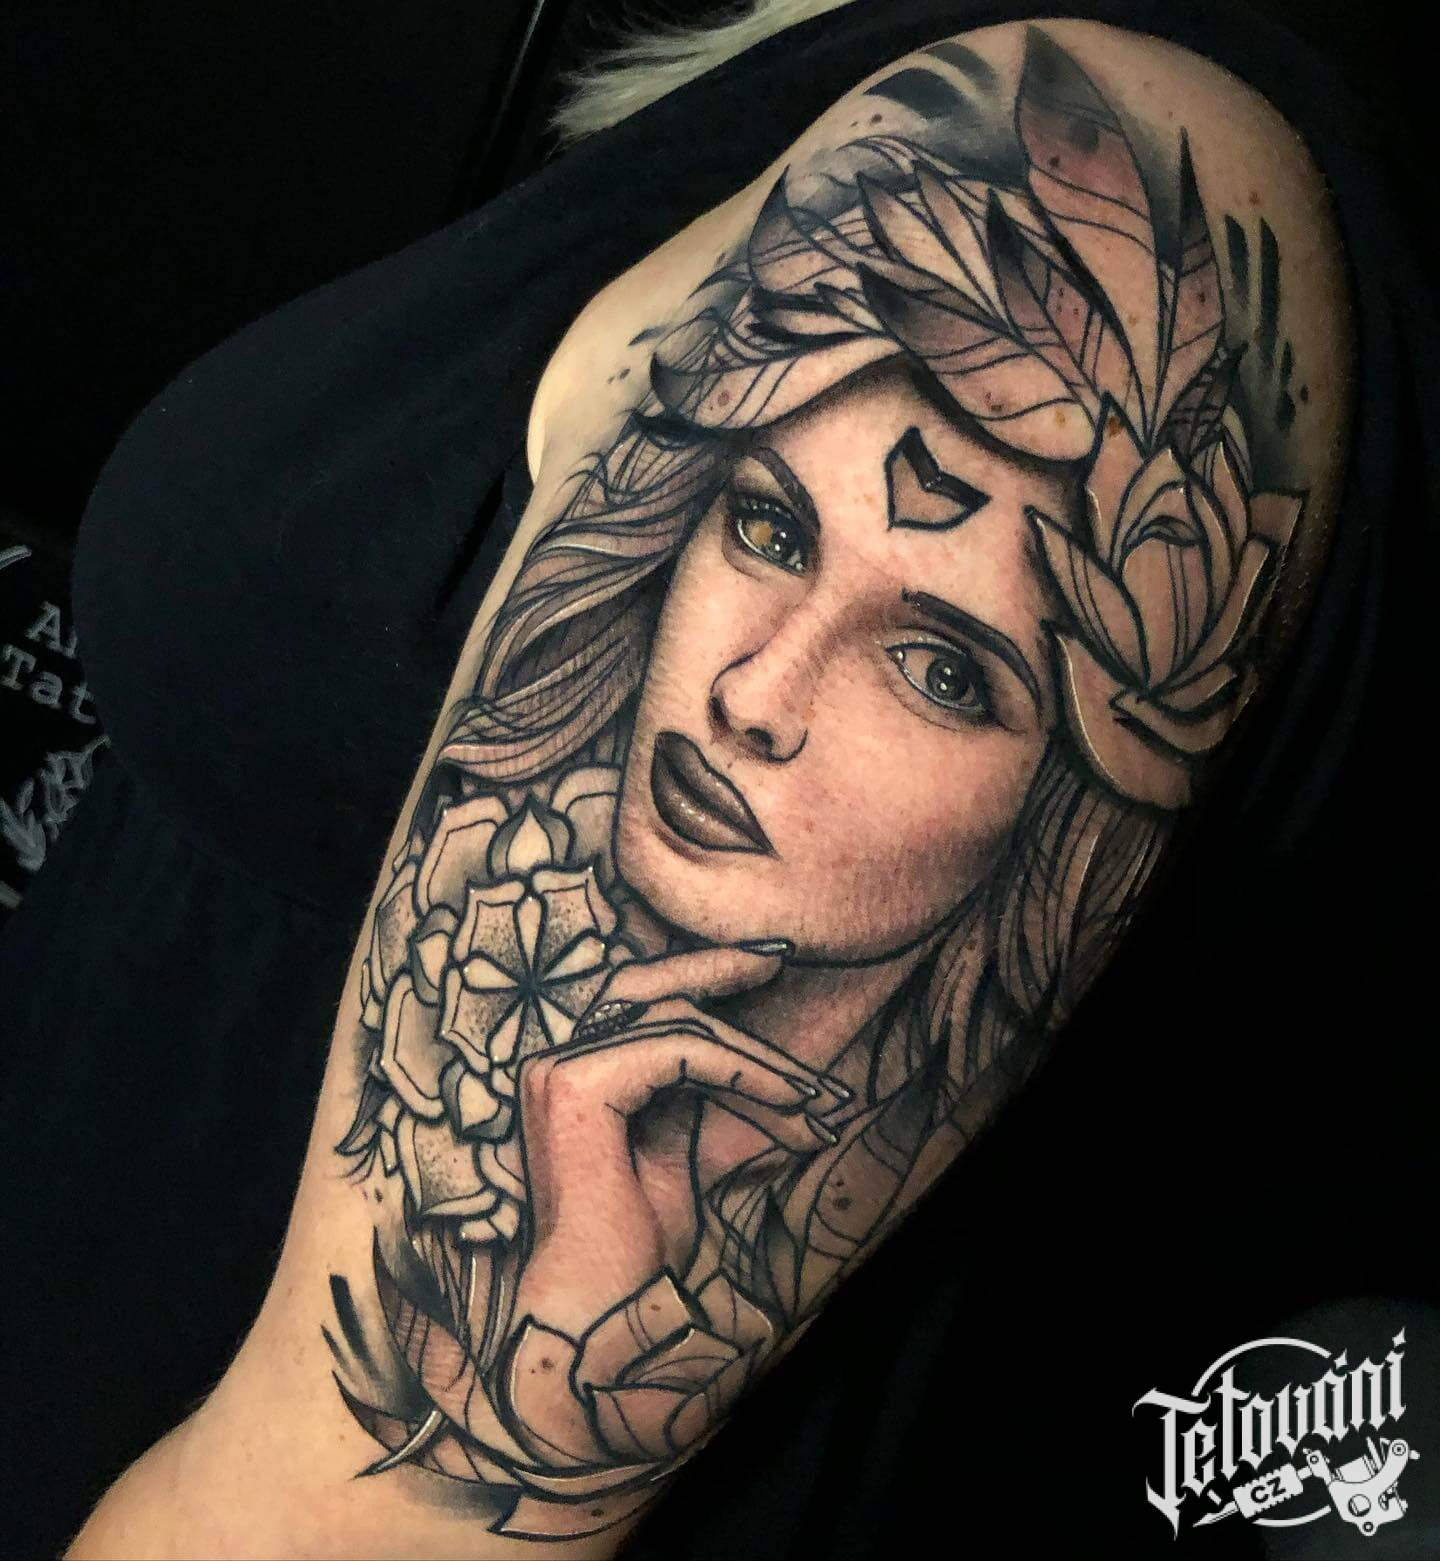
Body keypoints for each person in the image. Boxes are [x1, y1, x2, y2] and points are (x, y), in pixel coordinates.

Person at [6, 1, 1423, 1556]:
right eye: (765, 524)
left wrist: (538, 1366)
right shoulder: (922, 69)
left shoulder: (1104, 158)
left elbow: (328, 1533)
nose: (752, 694)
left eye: (941, 667)